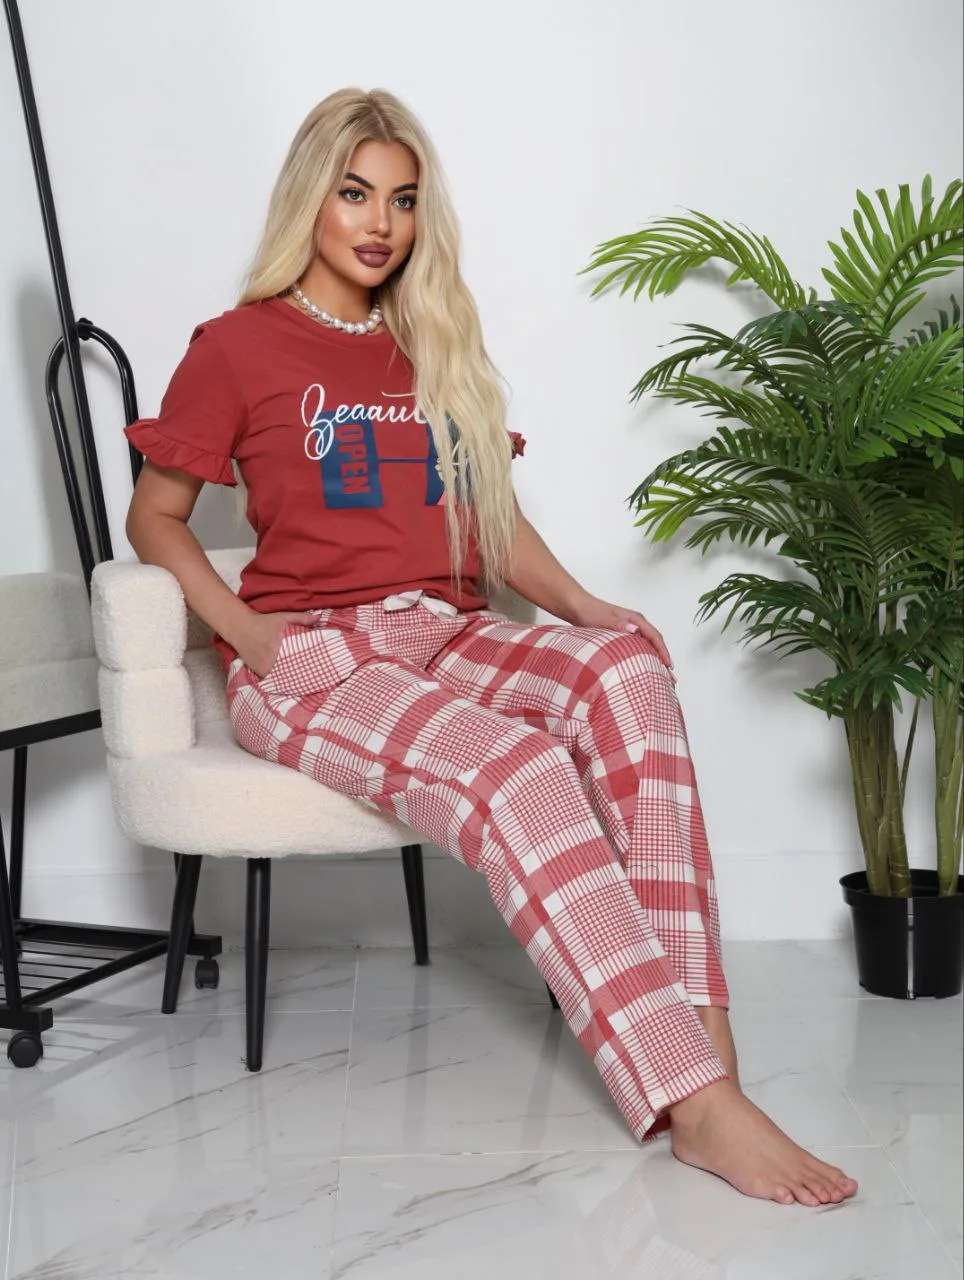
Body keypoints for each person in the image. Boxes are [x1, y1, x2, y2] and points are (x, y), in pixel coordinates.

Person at [125, 87, 858, 1208]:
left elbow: (491, 523)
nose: (380, 223)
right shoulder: (236, 345)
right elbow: (154, 517)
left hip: (448, 629)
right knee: (518, 768)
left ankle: (708, 1057)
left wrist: (582, 606)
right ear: (310, 198)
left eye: (403, 199)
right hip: (315, 655)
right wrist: (251, 634)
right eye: (355, 193)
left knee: (628, 673)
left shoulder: (433, 340)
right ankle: (697, 1102)